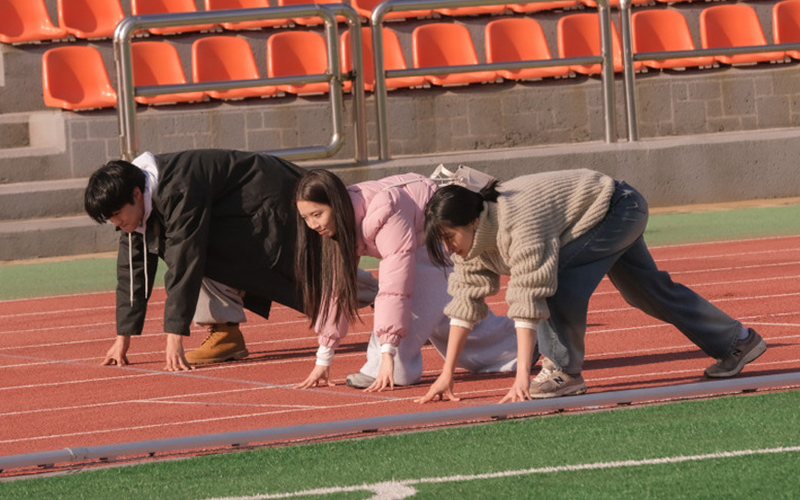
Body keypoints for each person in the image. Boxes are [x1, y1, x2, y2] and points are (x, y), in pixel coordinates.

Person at [415, 168, 767, 403]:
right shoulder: (471, 243)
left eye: (449, 237)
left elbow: (529, 294)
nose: (449, 247)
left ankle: (564, 372)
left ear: (473, 220)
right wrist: (447, 374)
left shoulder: (517, 224)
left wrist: (523, 374)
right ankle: (737, 341)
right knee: (647, 292)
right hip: (598, 213)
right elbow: (465, 302)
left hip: (617, 208)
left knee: (556, 281)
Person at [293, 169, 521, 391]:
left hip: (433, 236)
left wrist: (388, 355)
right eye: (306, 218)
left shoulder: (383, 212)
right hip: (417, 237)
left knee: (413, 309)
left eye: (318, 214)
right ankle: (521, 347)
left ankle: (391, 368)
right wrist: (323, 359)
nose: (313, 225)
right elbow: (337, 291)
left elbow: (395, 286)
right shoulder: (338, 226)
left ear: (337, 204)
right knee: (448, 317)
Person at [84, 149, 310, 371]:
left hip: (274, 196)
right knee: (198, 249)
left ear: (135, 195)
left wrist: (174, 339)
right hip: (242, 209)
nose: (115, 223)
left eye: (116, 214)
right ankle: (226, 333)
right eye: (110, 219)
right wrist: (122, 338)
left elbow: (184, 259)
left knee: (311, 273)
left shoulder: (177, 190)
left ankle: (330, 306)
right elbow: (132, 271)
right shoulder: (136, 201)